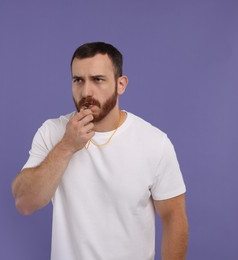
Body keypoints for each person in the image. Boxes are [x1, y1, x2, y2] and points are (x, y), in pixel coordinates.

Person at [11, 42, 188, 260]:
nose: (86, 91)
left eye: (98, 80)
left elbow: (174, 218)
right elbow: (25, 202)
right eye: (78, 80)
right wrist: (66, 146)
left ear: (120, 84)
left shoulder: (154, 142)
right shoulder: (52, 132)